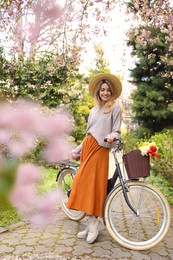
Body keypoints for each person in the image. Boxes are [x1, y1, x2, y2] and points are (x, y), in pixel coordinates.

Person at [67, 73, 122, 244]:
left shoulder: (115, 107)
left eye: (108, 90)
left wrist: (112, 137)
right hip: (88, 148)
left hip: (100, 150)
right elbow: (88, 134)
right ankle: (91, 221)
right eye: (102, 90)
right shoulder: (93, 110)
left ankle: (93, 223)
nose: (105, 93)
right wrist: (76, 150)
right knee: (84, 185)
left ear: (112, 92)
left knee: (90, 185)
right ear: (98, 92)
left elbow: (117, 131)